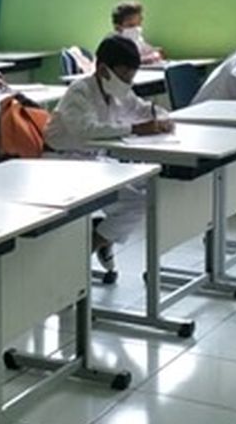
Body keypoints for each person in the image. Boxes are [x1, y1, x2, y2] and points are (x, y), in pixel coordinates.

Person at [45, 36, 172, 281]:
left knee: (147, 194)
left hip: (94, 162)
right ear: (103, 69)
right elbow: (87, 130)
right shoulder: (79, 91)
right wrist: (135, 129)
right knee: (135, 199)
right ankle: (81, 254)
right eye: (125, 77)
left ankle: (96, 241)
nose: (128, 84)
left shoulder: (118, 89)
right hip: (61, 163)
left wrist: (163, 117)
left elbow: (143, 108)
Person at [110, 1, 163, 65]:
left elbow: (152, 51)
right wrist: (149, 58)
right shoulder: (114, 43)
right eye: (131, 25)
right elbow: (125, 61)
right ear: (118, 27)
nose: (136, 29)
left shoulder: (138, 39)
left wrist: (156, 52)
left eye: (138, 24)